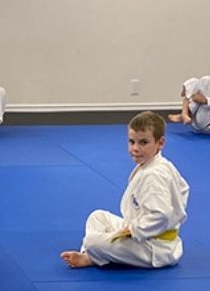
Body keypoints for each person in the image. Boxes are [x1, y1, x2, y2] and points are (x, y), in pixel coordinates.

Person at [60, 111, 189, 269]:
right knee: (98, 217)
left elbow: (161, 215)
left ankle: (91, 255)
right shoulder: (161, 164)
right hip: (142, 233)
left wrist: (135, 229)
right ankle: (92, 255)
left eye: (143, 143)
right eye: (131, 142)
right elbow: (183, 188)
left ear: (160, 143)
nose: (135, 148)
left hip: (154, 247)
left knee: (92, 241)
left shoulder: (154, 174)